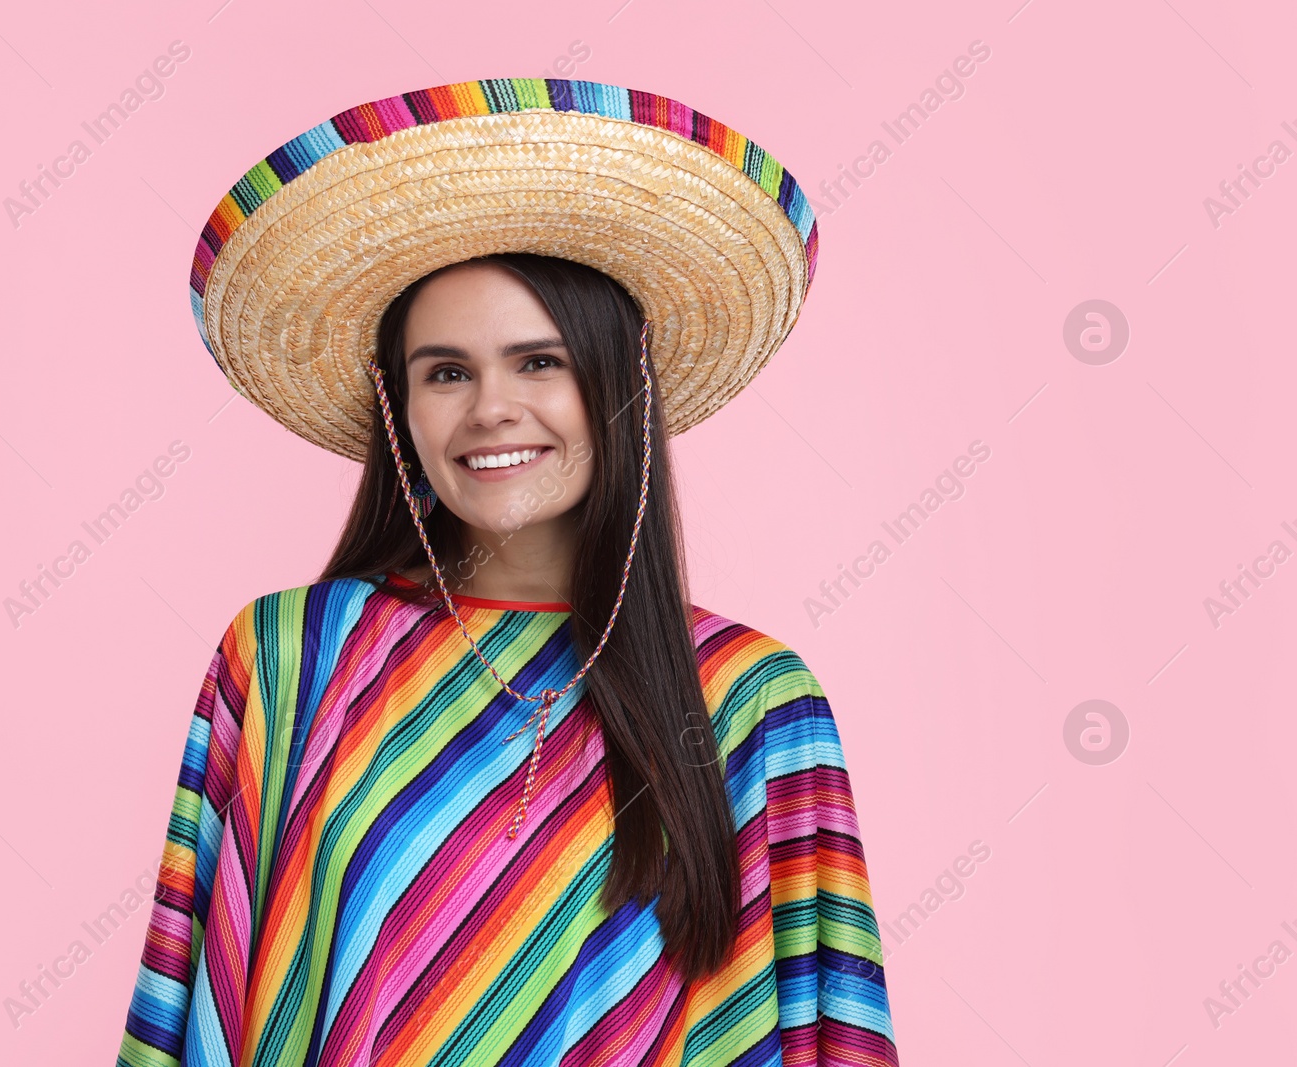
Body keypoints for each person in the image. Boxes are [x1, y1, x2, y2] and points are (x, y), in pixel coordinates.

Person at [117, 78, 897, 1067]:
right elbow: (191, 1001)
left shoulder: (750, 698)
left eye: (539, 362)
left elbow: (825, 1030)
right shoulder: (287, 657)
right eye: (446, 371)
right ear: (400, 409)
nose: (491, 408)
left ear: (619, 386)